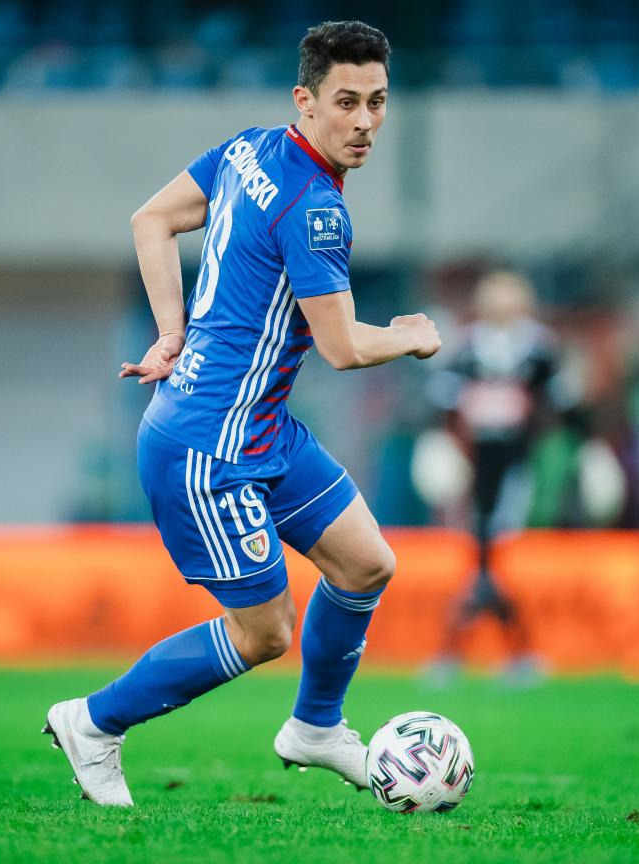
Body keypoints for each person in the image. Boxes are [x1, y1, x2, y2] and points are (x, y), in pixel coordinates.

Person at [44, 21, 441, 807]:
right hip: (208, 448)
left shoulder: (249, 150)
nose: (365, 121)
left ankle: (316, 728)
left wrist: (171, 333)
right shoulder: (317, 209)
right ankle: (93, 722)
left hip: (259, 428)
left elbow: (150, 220)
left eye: (378, 102)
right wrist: (410, 336)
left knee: (366, 564)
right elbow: (342, 347)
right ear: (306, 101)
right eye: (346, 102)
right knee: (265, 632)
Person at [418, 271, 561, 687]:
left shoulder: (538, 348)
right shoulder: (467, 347)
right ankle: (508, 653)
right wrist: (441, 445)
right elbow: (442, 405)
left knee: (488, 560)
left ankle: (469, 652)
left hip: (516, 465)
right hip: (472, 464)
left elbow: (560, 404)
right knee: (481, 560)